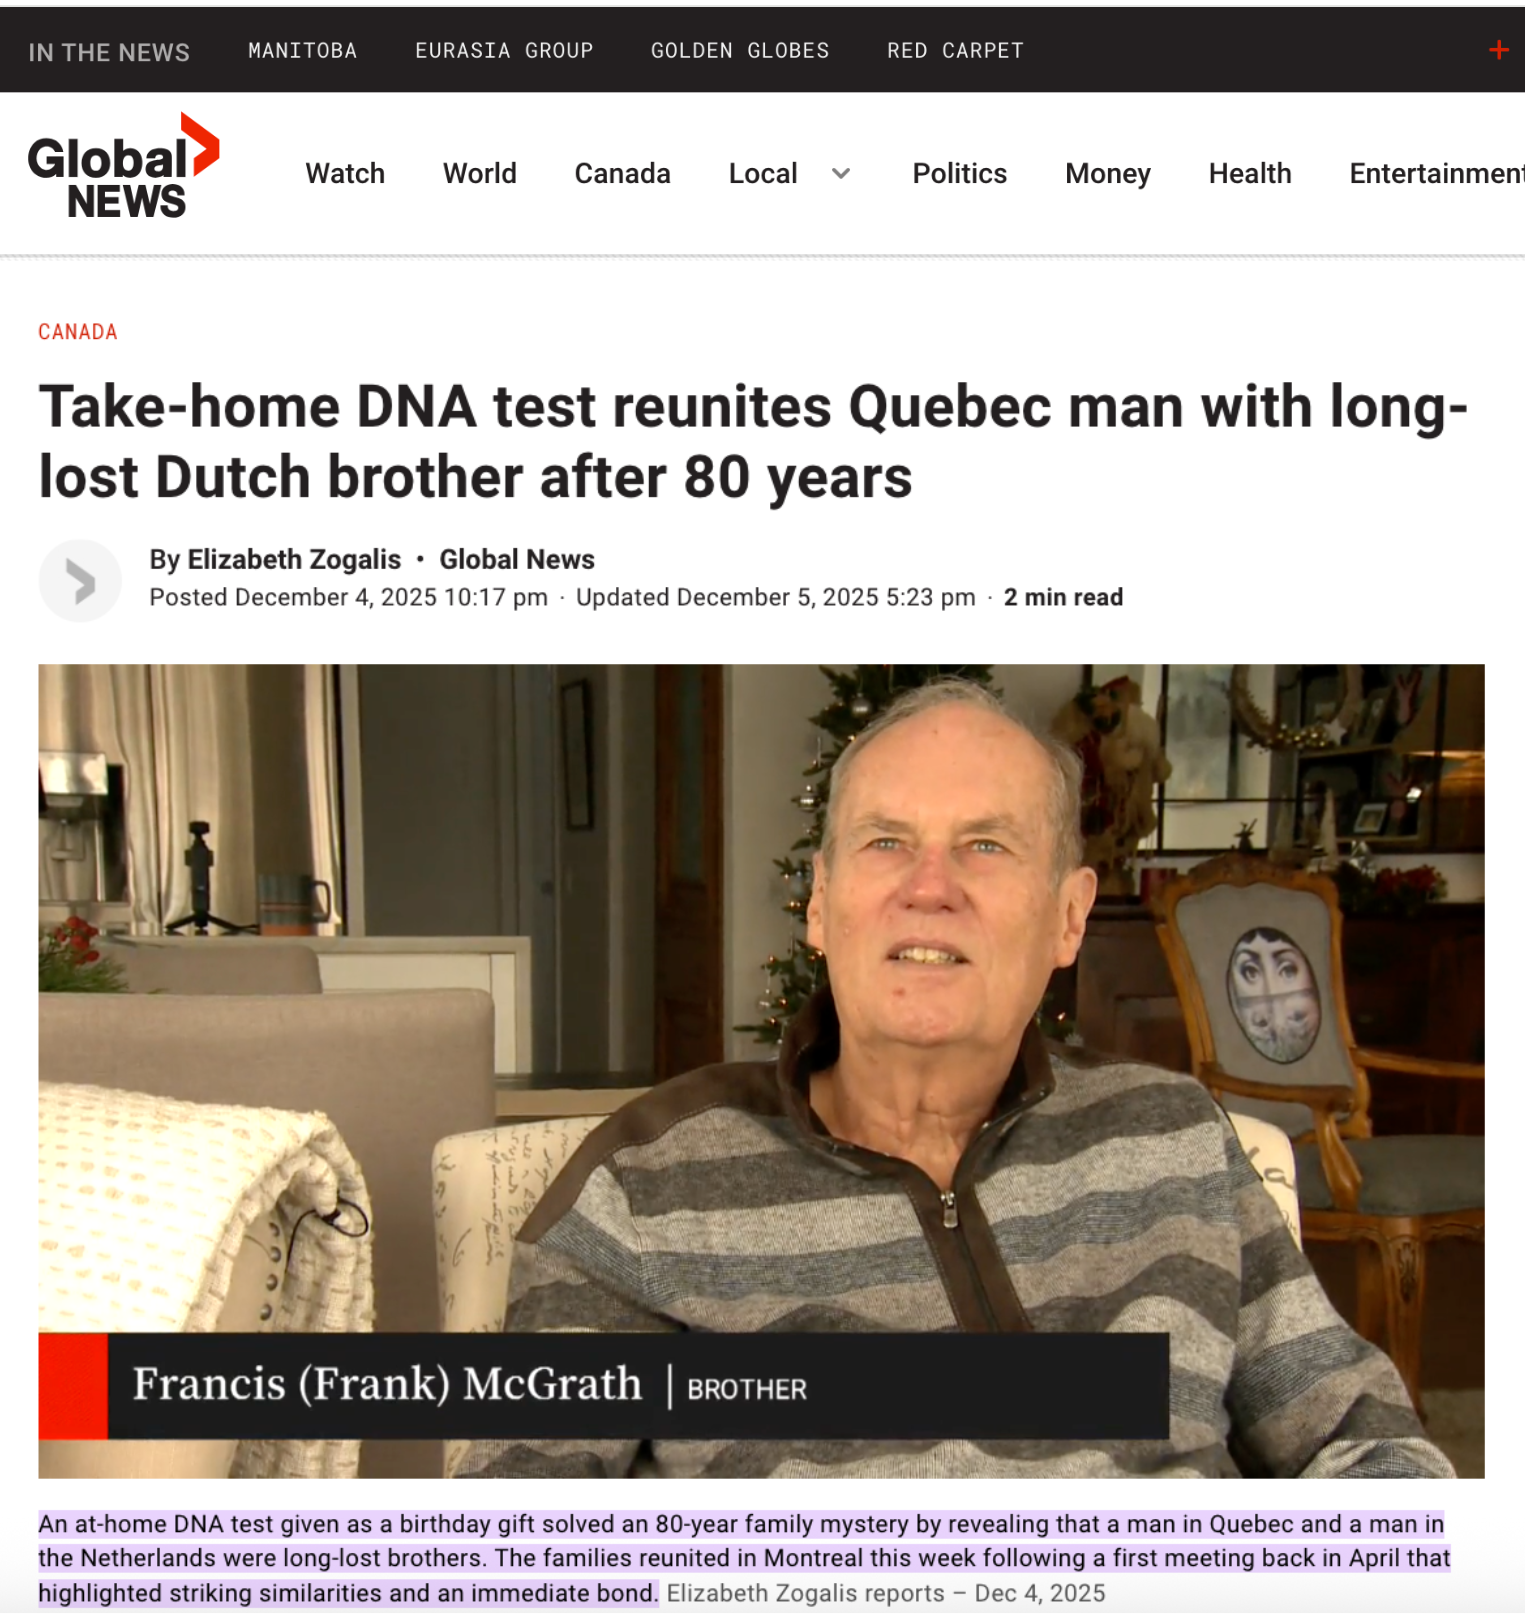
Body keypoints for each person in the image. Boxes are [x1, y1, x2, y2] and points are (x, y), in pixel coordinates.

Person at [453, 680, 1452, 1479]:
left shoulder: (1171, 1134)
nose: (929, 886)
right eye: (887, 841)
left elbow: (1363, 1438)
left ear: (1068, 917)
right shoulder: (647, 1178)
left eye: (985, 844)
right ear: (822, 904)